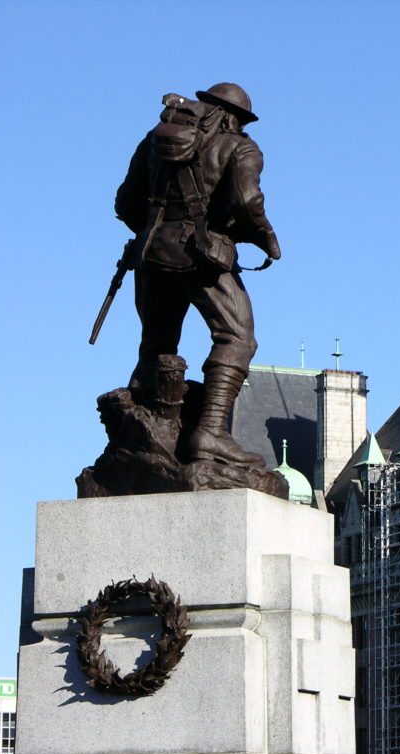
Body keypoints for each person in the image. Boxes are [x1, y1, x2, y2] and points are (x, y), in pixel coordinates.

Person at [115, 82, 281, 466]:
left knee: (156, 343)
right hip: (203, 259)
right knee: (238, 337)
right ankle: (210, 432)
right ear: (232, 118)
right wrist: (266, 239)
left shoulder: (155, 141)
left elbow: (126, 202)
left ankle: (144, 433)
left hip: (150, 254)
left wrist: (158, 231)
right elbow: (248, 201)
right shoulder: (240, 147)